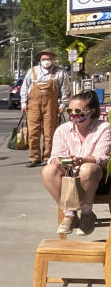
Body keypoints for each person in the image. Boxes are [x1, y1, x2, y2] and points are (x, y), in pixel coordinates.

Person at [41, 90, 111, 235]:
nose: (73, 114)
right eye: (70, 110)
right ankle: (69, 214)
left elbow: (102, 157)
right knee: (48, 171)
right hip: (70, 179)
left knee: (87, 169)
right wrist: (60, 161)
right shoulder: (63, 130)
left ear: (91, 111)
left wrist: (81, 160)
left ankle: (87, 213)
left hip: (97, 179)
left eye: (78, 110)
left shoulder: (103, 128)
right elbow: (54, 156)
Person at [21, 49, 71, 167]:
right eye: (44, 59)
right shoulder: (32, 71)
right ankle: (34, 157)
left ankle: (48, 157)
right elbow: (24, 88)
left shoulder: (60, 72)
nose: (46, 61)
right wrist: (23, 103)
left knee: (50, 132)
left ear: (53, 59)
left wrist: (63, 104)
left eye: (48, 59)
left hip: (51, 106)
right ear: (40, 60)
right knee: (33, 132)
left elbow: (65, 89)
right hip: (33, 105)